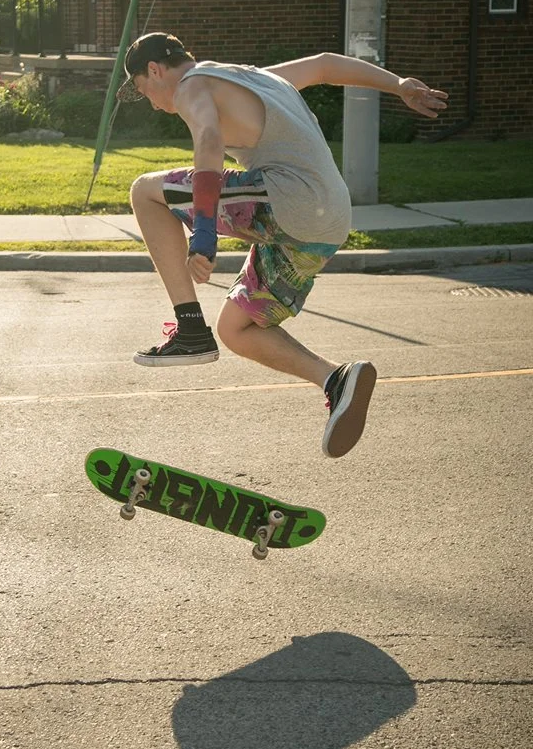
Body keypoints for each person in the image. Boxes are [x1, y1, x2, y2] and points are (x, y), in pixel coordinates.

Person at [117, 33, 448, 458]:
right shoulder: (257, 78)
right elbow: (326, 65)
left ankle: (189, 328)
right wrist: (398, 84)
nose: (151, 101)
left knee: (144, 191)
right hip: (327, 223)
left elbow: (210, 141)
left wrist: (202, 234)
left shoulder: (190, 85)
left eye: (145, 91)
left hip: (287, 200)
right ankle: (335, 379)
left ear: (157, 71)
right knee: (236, 328)